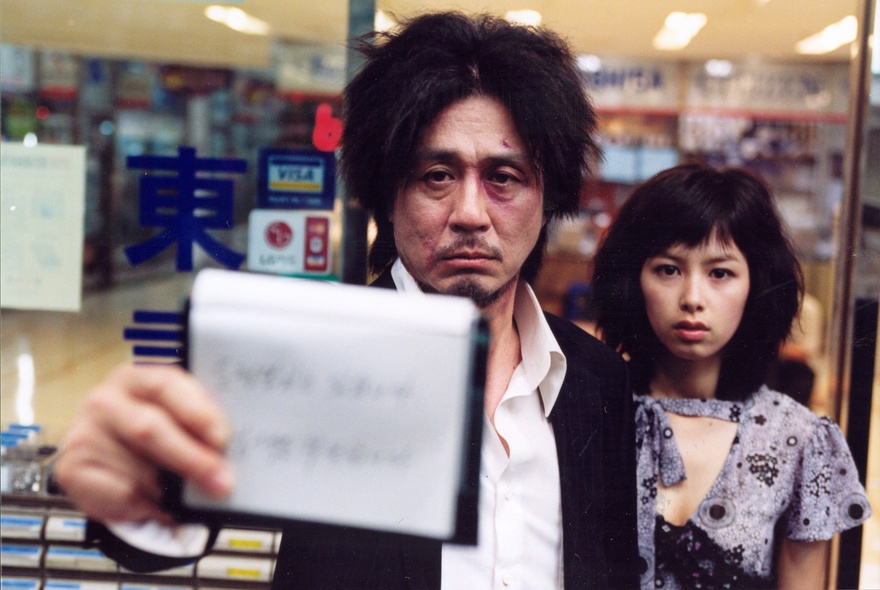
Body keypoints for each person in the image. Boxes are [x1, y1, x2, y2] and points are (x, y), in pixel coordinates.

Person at [54, 12, 640, 589]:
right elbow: (168, 523)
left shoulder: (598, 383)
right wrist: (128, 481)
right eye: (437, 174)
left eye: (503, 177)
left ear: (548, 197)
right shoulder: (309, 362)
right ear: (386, 194)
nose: (469, 213)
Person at [591, 162, 871, 589]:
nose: (692, 299)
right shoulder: (591, 411)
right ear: (634, 278)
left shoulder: (797, 439)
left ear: (756, 284)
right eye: (668, 269)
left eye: (720, 273)